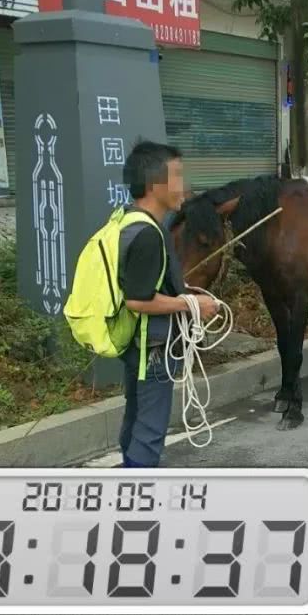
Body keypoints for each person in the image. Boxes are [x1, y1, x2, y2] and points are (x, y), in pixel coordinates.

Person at [117, 141, 218, 468]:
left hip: (136, 343)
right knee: (149, 430)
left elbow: (141, 286)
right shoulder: (148, 234)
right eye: (177, 175)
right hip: (154, 348)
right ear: (153, 184)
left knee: (136, 419)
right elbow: (137, 300)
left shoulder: (128, 221)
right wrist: (190, 304)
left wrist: (184, 294)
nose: (183, 185)